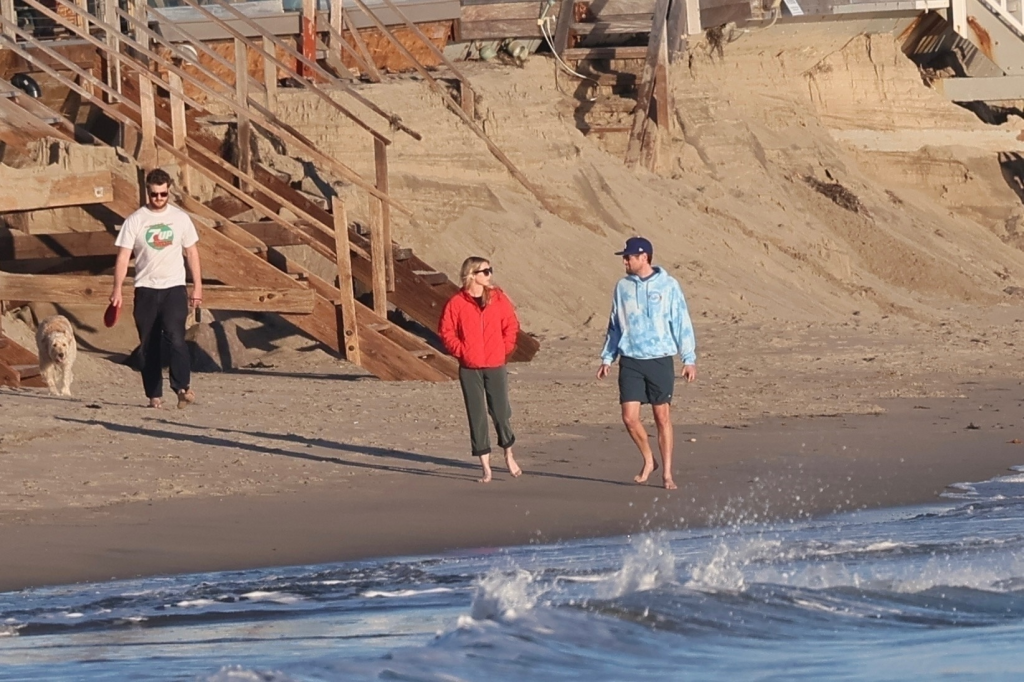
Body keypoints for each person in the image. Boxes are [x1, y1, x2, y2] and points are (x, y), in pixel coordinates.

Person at [597, 237, 696, 490]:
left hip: (660, 358)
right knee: (629, 418)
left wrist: (689, 358)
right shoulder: (622, 287)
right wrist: (607, 357)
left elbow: (681, 320)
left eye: (628, 256)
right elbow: (614, 325)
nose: (625, 261)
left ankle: (668, 474)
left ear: (644, 257)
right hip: (630, 359)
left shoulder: (668, 285)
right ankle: (648, 459)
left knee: (661, 417)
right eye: (625, 256)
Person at [110, 168, 202, 409]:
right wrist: (117, 289)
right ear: (147, 192)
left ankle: (182, 387)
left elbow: (192, 252)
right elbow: (123, 257)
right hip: (146, 289)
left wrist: (198, 287)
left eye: (163, 194)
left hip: (174, 287)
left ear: (169, 191)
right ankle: (154, 395)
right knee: (148, 344)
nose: (159, 199)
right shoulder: (136, 220)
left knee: (176, 337)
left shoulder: (181, 219)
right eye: (154, 195)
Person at [439, 257, 523, 483]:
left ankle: (508, 453)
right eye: (485, 271)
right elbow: (446, 332)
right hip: (469, 367)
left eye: (490, 270)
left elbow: (511, 325)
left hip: (495, 364)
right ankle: (485, 467)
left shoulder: (498, 298)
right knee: (476, 416)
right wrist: (462, 351)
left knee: (500, 412)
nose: (489, 275)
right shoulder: (456, 302)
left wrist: (504, 348)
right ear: (472, 274)